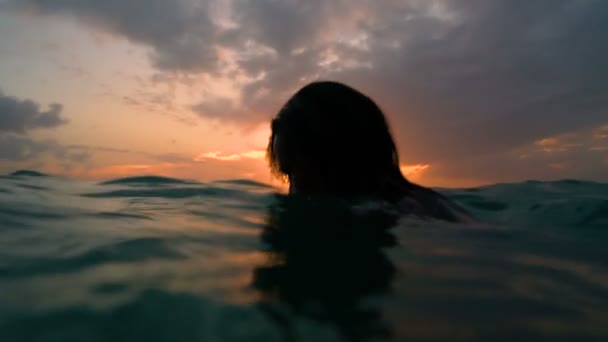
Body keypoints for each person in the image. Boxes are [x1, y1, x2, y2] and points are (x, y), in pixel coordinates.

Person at [266, 81, 472, 222]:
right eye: (287, 177)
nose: (292, 192)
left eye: (299, 176)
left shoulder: (397, 212)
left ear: (343, 160)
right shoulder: (422, 205)